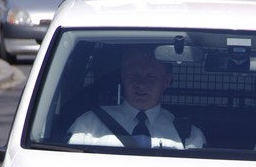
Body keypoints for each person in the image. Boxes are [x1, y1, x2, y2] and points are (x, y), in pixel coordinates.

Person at [68, 47, 206, 149]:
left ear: (166, 81)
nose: (141, 84)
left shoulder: (187, 135)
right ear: (123, 77)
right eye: (134, 76)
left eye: (151, 77)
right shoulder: (89, 125)